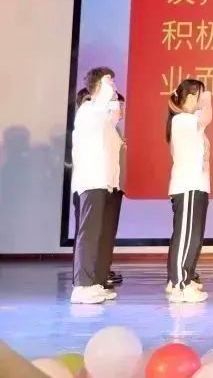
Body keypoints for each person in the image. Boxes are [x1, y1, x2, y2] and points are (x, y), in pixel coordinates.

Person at [70, 67, 120, 304]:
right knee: (89, 234)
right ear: (98, 86)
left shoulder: (104, 116)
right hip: (91, 181)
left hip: (104, 182)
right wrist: (106, 91)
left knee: (99, 235)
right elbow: (106, 107)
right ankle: (82, 286)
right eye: (109, 82)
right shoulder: (88, 110)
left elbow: (114, 115)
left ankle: (96, 283)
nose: (114, 87)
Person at [165, 78, 213, 303]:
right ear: (191, 96)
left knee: (194, 237)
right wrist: (208, 101)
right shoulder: (182, 120)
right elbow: (206, 117)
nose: (201, 99)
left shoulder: (191, 122)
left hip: (198, 185)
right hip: (187, 185)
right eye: (199, 94)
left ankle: (185, 277)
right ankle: (179, 284)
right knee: (185, 236)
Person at [100, 92, 126, 289]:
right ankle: (99, 271)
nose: (121, 111)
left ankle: (104, 268)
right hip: (104, 186)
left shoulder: (115, 129)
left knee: (109, 231)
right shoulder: (103, 128)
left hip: (115, 186)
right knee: (102, 231)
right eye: (119, 106)